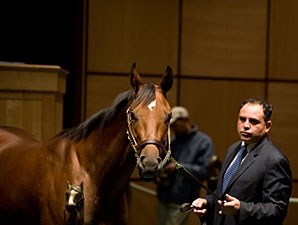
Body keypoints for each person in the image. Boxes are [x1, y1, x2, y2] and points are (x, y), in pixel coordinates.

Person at [191, 98, 292, 225]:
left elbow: (278, 210)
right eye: (242, 119)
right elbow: (225, 192)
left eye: (254, 121)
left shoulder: (275, 160)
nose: (246, 125)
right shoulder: (234, 149)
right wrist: (207, 202)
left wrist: (241, 208)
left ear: (267, 126)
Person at [156, 106, 215, 225]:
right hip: (164, 197)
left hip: (183, 199)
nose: (172, 129)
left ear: (185, 120)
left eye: (174, 125)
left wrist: (178, 167)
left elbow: (204, 171)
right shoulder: (172, 142)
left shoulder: (203, 142)